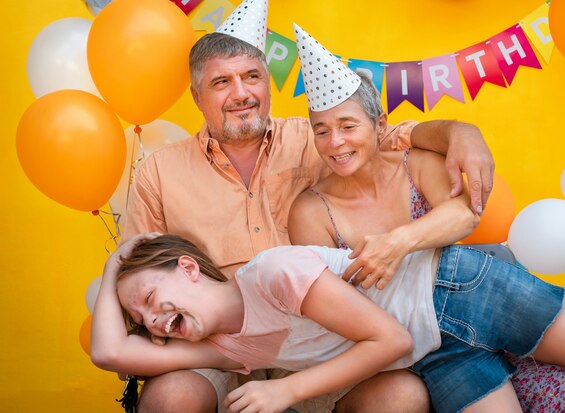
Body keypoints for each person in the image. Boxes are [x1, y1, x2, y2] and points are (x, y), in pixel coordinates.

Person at [120, 1, 496, 411]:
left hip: (319, 339)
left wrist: (461, 132)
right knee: (171, 396)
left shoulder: (319, 138)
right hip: (218, 345)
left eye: (252, 77)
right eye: (221, 82)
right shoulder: (159, 173)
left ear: (267, 83)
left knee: (400, 396)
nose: (241, 93)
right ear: (196, 96)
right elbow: (137, 272)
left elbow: (390, 135)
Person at [286, 24, 565, 412]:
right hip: (432, 342)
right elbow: (334, 310)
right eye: (322, 131)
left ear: (379, 127)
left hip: (487, 289)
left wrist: (395, 244)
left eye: (348, 126)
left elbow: (464, 215)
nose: (335, 143)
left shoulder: (417, 163)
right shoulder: (310, 211)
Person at [91, 232, 565, 413]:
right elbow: (109, 353)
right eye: (143, 321)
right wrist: (118, 264)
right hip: (436, 353)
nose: (154, 322)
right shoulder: (231, 350)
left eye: (149, 297)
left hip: (462, 289)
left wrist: (286, 393)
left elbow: (386, 337)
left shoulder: (274, 272)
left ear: (187, 267)